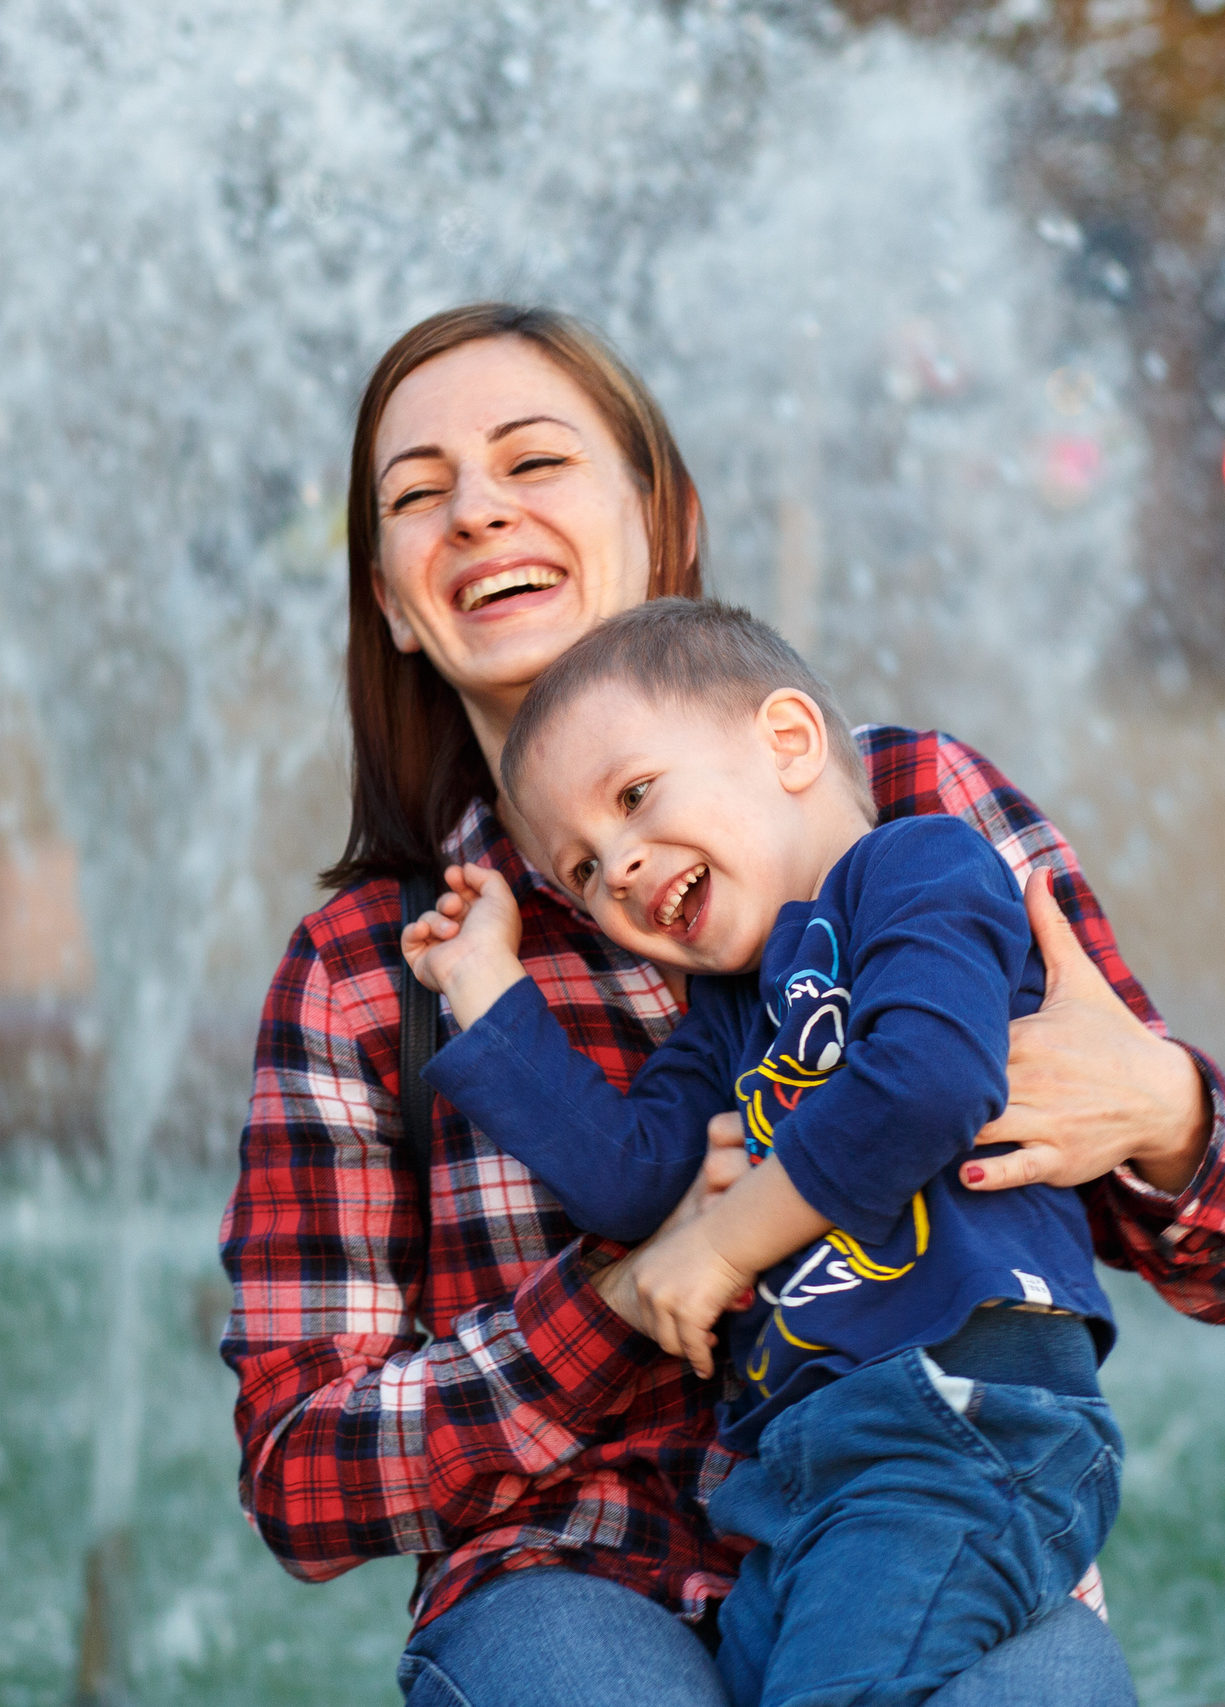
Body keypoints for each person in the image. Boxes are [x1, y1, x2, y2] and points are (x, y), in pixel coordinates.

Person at [217, 304, 1225, 1707]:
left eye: (532, 462)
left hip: (926, 1499)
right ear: (389, 600)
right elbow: (302, 1471)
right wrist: (628, 1290)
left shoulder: (908, 812)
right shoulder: (380, 964)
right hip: (575, 1573)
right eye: (421, 495)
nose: (478, 512)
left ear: (662, 515)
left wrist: (1165, 1108)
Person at [405, 598, 1126, 1706]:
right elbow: (633, 1176)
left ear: (787, 742)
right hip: (805, 1476)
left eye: (636, 797)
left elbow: (929, 1083)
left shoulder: (920, 869)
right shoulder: (729, 1019)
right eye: (585, 871)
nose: (623, 870)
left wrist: (722, 1248)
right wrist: (485, 987)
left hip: (959, 1414)